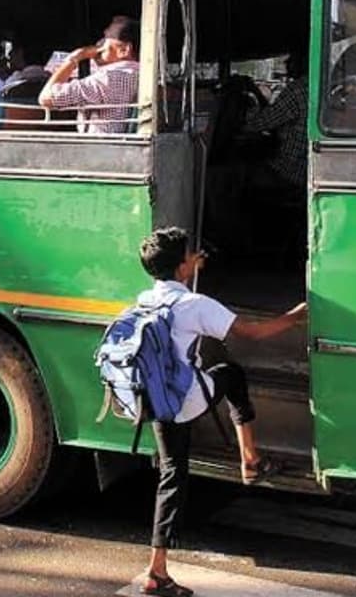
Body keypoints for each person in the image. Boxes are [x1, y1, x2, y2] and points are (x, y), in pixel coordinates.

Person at [133, 227, 306, 597]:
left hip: (153, 398)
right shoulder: (196, 305)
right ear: (181, 266)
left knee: (171, 474)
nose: (194, 257)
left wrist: (190, 267)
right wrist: (295, 316)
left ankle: (157, 570)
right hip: (184, 401)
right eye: (190, 255)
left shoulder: (145, 299)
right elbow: (252, 333)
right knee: (231, 375)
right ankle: (250, 460)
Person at [39, 16, 140, 134]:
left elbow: (46, 98)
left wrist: (74, 58)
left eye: (106, 39)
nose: (99, 44)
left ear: (124, 50)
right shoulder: (144, 75)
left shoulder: (106, 78)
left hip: (99, 143)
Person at [244, 51, 309, 187]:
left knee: (235, 174)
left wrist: (253, 97)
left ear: (302, 62)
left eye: (291, 59)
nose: (286, 63)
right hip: (304, 168)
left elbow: (259, 123)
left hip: (288, 171)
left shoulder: (297, 90)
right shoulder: (315, 86)